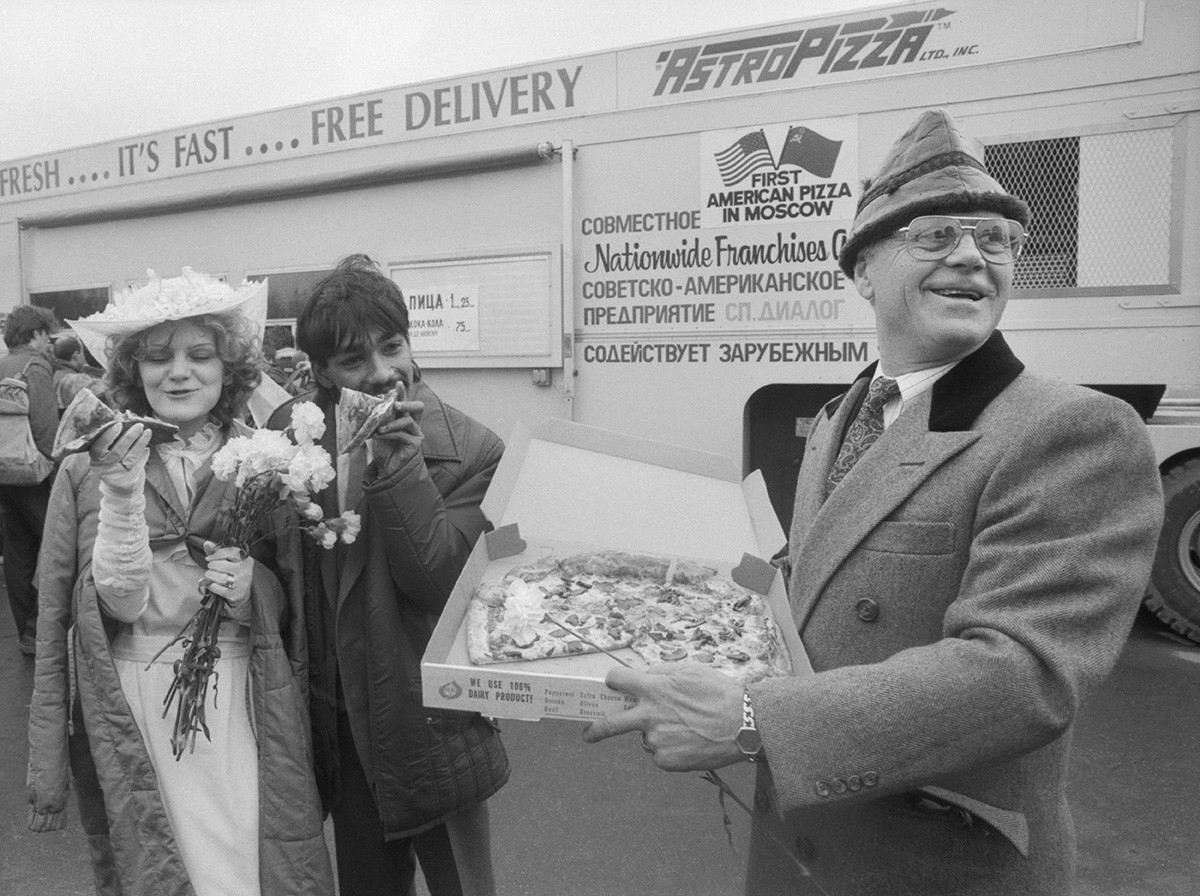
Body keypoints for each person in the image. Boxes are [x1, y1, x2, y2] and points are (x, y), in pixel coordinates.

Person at [582, 110, 1165, 895]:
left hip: (931, 865)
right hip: (801, 846)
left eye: (996, 241)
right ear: (861, 270)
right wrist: (672, 616)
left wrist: (754, 721)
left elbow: (1023, 675)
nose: (970, 255)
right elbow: (813, 584)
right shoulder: (839, 417)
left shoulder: (1074, 431)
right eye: (935, 235)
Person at [26, 271, 333, 896]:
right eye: (158, 358)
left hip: (243, 693)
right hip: (133, 700)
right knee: (160, 864)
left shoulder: (268, 456)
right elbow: (60, 607)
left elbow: (298, 602)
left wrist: (255, 589)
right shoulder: (89, 464)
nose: (179, 373)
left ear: (230, 365)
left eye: (200, 355)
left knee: (250, 859)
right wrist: (46, 766)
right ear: (132, 370)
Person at [268, 253, 509, 896]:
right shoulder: (289, 436)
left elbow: (438, 581)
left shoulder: (472, 449)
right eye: (353, 360)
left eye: (391, 347)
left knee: (463, 885)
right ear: (320, 370)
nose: (381, 374)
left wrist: (401, 467)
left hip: (424, 720)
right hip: (337, 718)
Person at [0, 304, 58, 656]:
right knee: (58, 548)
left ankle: (28, 633)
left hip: (4, 472)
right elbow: (45, 426)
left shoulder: (1, 364)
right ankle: (44, 629)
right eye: (46, 334)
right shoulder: (34, 367)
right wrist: (58, 465)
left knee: (18, 554)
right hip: (33, 473)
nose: (49, 341)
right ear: (33, 334)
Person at [51, 333, 105, 408]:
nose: (84, 358)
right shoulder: (75, 381)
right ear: (76, 355)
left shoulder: (55, 374)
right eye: (83, 353)